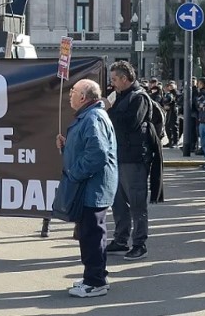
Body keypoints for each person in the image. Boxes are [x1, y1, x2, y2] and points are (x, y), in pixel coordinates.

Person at [56, 79, 118, 297]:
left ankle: (95, 282)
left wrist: (74, 173)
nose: (70, 95)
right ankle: (94, 276)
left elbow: (97, 154)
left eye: (73, 91)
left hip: (93, 188)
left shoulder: (93, 117)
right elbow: (88, 148)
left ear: (83, 97)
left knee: (92, 236)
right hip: (90, 187)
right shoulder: (89, 116)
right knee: (89, 234)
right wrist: (67, 146)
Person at [106, 60, 151, 261]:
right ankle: (121, 239)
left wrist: (109, 109)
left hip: (134, 158)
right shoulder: (120, 96)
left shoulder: (138, 97)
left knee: (136, 203)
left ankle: (139, 244)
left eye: (114, 79)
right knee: (118, 202)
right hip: (118, 156)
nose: (112, 83)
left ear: (125, 78)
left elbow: (131, 123)